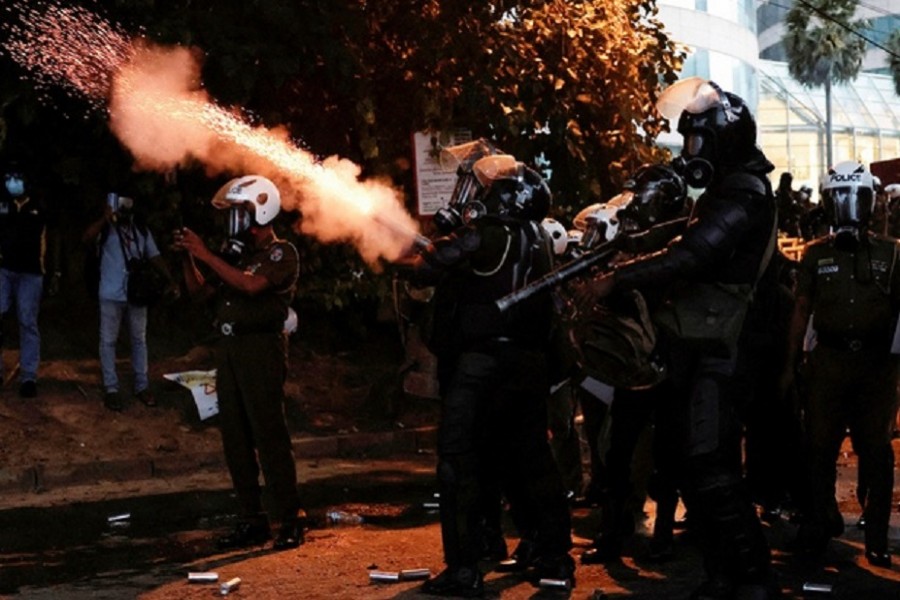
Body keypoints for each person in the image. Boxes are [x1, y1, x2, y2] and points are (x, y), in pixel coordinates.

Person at [574, 79, 778, 599]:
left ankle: (752, 577)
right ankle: (720, 574)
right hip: (699, 345)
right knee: (693, 463)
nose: (692, 153)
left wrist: (620, 277)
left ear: (725, 140)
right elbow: (683, 239)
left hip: (720, 349)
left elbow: (693, 255)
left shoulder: (744, 191)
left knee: (712, 465)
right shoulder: (725, 191)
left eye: (697, 142)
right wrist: (632, 246)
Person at [401, 144, 574, 596]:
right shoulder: (536, 238)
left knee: (458, 463)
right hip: (527, 365)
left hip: (481, 366)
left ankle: (463, 569)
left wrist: (423, 247)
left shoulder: (491, 233)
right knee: (534, 462)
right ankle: (555, 556)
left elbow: (426, 270)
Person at [175, 174, 304, 551]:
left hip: (260, 351)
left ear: (260, 211)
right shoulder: (235, 256)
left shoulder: (281, 253)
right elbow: (201, 294)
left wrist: (208, 256)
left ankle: (290, 517)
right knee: (236, 439)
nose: (232, 221)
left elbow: (251, 286)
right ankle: (253, 520)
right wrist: (189, 257)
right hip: (229, 350)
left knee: (270, 435)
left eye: (238, 212)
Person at [781, 160, 900, 569]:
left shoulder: (893, 254)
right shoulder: (815, 256)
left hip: (876, 368)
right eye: (840, 198)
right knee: (819, 450)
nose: (849, 207)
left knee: (878, 455)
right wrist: (790, 362)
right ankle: (820, 524)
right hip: (827, 365)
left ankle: (877, 539)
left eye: (856, 198)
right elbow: (801, 309)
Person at [82, 193, 175, 411]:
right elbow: (86, 238)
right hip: (110, 293)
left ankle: (142, 386)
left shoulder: (140, 230)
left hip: (137, 293)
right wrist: (105, 219)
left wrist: (170, 280)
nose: (123, 210)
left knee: (139, 340)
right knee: (108, 341)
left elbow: (154, 256)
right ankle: (111, 388)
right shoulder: (106, 230)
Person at [0, 162, 52, 398]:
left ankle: (29, 376)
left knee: (27, 321)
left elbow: (50, 240)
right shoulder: (2, 204)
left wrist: (54, 272)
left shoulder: (39, 207)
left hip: (31, 273)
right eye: (9, 177)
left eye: (17, 177)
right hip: (4, 271)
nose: (12, 182)